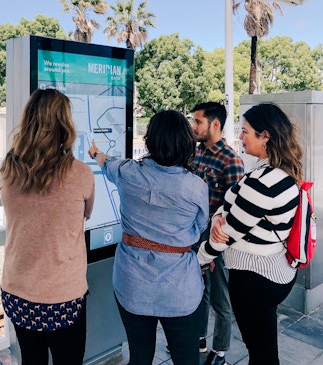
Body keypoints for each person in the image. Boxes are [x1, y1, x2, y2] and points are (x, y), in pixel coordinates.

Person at [88, 109, 209, 365]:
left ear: (150, 141)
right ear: (186, 142)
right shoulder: (196, 187)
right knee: (186, 358)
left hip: (133, 284)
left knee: (140, 355)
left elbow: (106, 163)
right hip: (180, 289)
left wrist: (95, 152)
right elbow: (199, 228)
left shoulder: (128, 172)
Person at [198, 103, 303, 365]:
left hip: (255, 278)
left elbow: (228, 235)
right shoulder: (277, 171)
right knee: (264, 345)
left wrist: (198, 259)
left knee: (260, 352)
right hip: (273, 271)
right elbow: (233, 204)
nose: (239, 137)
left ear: (265, 136)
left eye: (245, 131)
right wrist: (220, 215)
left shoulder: (262, 180)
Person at [0, 89, 95, 365]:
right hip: (63, 297)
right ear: (66, 125)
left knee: (31, 359)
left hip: (18, 290)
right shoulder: (80, 173)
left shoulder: (9, 167)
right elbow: (86, 214)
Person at [191, 102, 244, 365]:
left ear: (214, 125)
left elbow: (235, 210)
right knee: (198, 291)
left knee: (221, 298)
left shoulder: (230, 159)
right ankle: (199, 338)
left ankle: (220, 350)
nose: (194, 126)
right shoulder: (197, 153)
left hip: (218, 240)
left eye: (198, 121)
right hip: (195, 234)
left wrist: (215, 247)